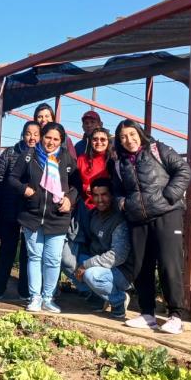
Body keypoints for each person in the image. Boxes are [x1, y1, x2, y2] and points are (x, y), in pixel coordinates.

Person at [111, 119, 191, 334]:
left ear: (140, 133)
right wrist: (123, 204)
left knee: (169, 263)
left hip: (167, 214)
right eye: (123, 137)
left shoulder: (158, 149)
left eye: (131, 134)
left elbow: (183, 170)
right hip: (138, 218)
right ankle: (148, 313)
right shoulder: (120, 163)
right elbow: (117, 190)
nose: (129, 140)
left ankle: (176, 315)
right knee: (141, 266)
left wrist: (169, 195)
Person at [8, 122, 78, 313]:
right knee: (34, 257)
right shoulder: (29, 156)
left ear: (61, 141)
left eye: (56, 139)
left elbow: (76, 185)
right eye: (48, 137)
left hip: (57, 217)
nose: (51, 142)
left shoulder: (66, 158)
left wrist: (70, 200)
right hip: (32, 216)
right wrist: (24, 189)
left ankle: (48, 298)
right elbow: (12, 178)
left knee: (53, 260)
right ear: (42, 136)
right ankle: (35, 297)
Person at [0, 121, 40, 302]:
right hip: (9, 208)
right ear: (23, 134)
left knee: (28, 252)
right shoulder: (10, 152)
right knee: (7, 250)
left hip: (31, 210)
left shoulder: (42, 155)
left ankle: (25, 292)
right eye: (28, 133)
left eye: (35, 134)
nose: (32, 137)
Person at [62, 127, 112, 301]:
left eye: (102, 139)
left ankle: (102, 291)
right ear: (90, 141)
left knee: (100, 249)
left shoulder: (112, 160)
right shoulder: (82, 159)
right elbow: (74, 183)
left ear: (108, 141)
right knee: (72, 254)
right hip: (84, 211)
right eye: (95, 139)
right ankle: (86, 287)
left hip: (106, 213)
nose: (98, 142)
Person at [74, 178, 132, 320]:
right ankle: (100, 296)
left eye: (104, 194)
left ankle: (119, 300)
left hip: (121, 270)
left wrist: (86, 265)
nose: (100, 200)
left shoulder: (119, 219)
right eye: (96, 195)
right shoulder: (92, 215)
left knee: (91, 275)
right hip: (99, 263)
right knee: (68, 261)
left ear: (112, 195)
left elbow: (117, 256)